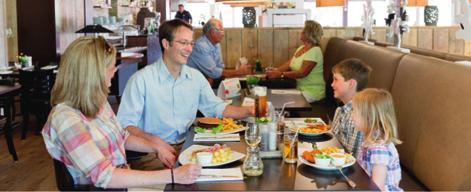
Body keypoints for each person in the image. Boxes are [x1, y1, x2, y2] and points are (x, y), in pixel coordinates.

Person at [42, 36, 201, 189]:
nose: (115, 70)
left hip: (123, 183)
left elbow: (122, 137)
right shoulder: (66, 119)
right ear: (93, 74)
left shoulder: (98, 103)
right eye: (111, 66)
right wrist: (172, 175)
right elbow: (104, 176)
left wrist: (155, 147)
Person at [117, 19, 253, 170]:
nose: (189, 49)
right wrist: (155, 142)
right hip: (151, 153)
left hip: (188, 148)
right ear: (166, 44)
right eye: (183, 43)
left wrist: (251, 110)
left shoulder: (195, 77)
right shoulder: (140, 80)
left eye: (191, 43)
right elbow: (125, 126)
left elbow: (217, 108)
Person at [351, 88, 402, 191]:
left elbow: (376, 188)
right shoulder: (371, 139)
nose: (351, 115)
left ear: (369, 117)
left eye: (355, 112)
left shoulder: (378, 149)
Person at [265, 20, 325, 103]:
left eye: (303, 30)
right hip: (299, 89)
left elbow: (302, 73)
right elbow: (289, 64)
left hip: (312, 92)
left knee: (281, 100)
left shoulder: (315, 51)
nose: (301, 31)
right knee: (274, 94)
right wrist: (275, 71)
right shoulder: (301, 48)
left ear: (308, 33)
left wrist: (280, 74)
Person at [187, 19, 252, 86]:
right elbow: (213, 72)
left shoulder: (216, 43)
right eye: (221, 30)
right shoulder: (201, 46)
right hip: (192, 83)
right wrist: (238, 72)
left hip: (208, 79)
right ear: (212, 32)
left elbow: (219, 67)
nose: (223, 34)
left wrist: (213, 75)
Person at [330, 58, 372, 158]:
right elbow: (333, 144)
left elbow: (352, 159)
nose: (332, 84)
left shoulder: (358, 116)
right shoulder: (340, 110)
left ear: (351, 84)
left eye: (336, 79)